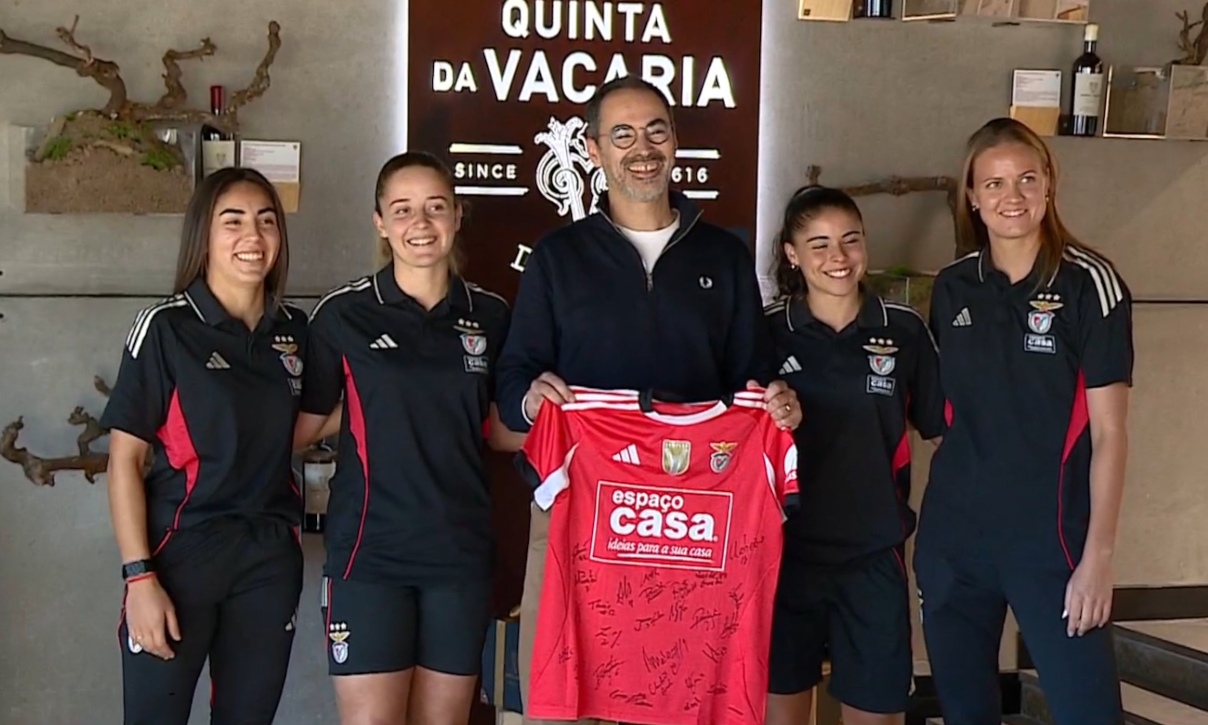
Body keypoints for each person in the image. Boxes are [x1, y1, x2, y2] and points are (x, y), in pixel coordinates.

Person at [495, 74, 802, 725]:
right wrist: (529, 399)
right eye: (623, 134)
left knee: (678, 687)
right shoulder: (558, 257)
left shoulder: (723, 254)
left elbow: (753, 372)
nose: (643, 148)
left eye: (656, 131)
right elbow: (515, 373)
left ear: (675, 142)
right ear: (593, 149)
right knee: (564, 698)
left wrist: (776, 404)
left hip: (692, 517)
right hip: (581, 506)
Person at [914, 117, 1133, 725]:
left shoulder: (1091, 284)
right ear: (972, 196)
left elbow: (1110, 433)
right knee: (965, 712)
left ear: (1048, 184)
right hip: (954, 542)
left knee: (1089, 713)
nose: (1012, 197)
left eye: (1026, 179)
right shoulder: (954, 287)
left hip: (1051, 545)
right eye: (994, 184)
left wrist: (1098, 558)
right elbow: (943, 415)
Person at [293, 150, 522, 725]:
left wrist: (573, 410)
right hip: (370, 554)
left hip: (459, 555)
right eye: (402, 210)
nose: (420, 223)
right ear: (380, 223)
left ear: (457, 215)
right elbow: (304, 427)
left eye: (435, 207)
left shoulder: (491, 314)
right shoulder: (343, 314)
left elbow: (501, 430)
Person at [102, 166, 307, 725]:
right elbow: (125, 460)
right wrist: (139, 577)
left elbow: (306, 426)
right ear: (204, 235)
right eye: (232, 221)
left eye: (266, 221)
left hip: (268, 558)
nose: (253, 236)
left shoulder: (296, 331)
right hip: (180, 555)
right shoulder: (166, 328)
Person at [762, 186, 946, 725]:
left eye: (850, 240)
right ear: (792, 254)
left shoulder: (903, 330)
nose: (838, 257)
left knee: (875, 713)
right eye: (818, 244)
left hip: (873, 558)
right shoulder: (766, 331)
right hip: (782, 556)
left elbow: (946, 433)